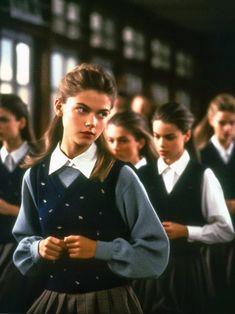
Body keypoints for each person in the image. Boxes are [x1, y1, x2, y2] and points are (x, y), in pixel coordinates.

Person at [12, 63, 169, 314]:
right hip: (53, 303)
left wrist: (99, 250)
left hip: (111, 303)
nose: (92, 123)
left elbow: (155, 253)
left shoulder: (122, 176)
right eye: (82, 110)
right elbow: (22, 247)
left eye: (102, 114)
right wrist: (37, 248)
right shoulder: (34, 176)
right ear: (59, 107)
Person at [134, 102, 234, 314]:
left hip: (188, 273)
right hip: (148, 273)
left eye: (169, 137)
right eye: (156, 136)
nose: (161, 143)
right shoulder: (142, 174)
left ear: (186, 136)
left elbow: (225, 230)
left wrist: (186, 231)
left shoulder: (203, 175)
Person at [0, 93, 41, 312]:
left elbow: (45, 213)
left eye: (4, 119)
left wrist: (9, 209)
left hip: (22, 249)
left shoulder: (39, 161)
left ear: (21, 122)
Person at [195, 93, 235, 313]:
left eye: (232, 123)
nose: (227, 128)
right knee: (215, 291)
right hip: (212, 234)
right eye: (222, 123)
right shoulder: (200, 156)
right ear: (211, 121)